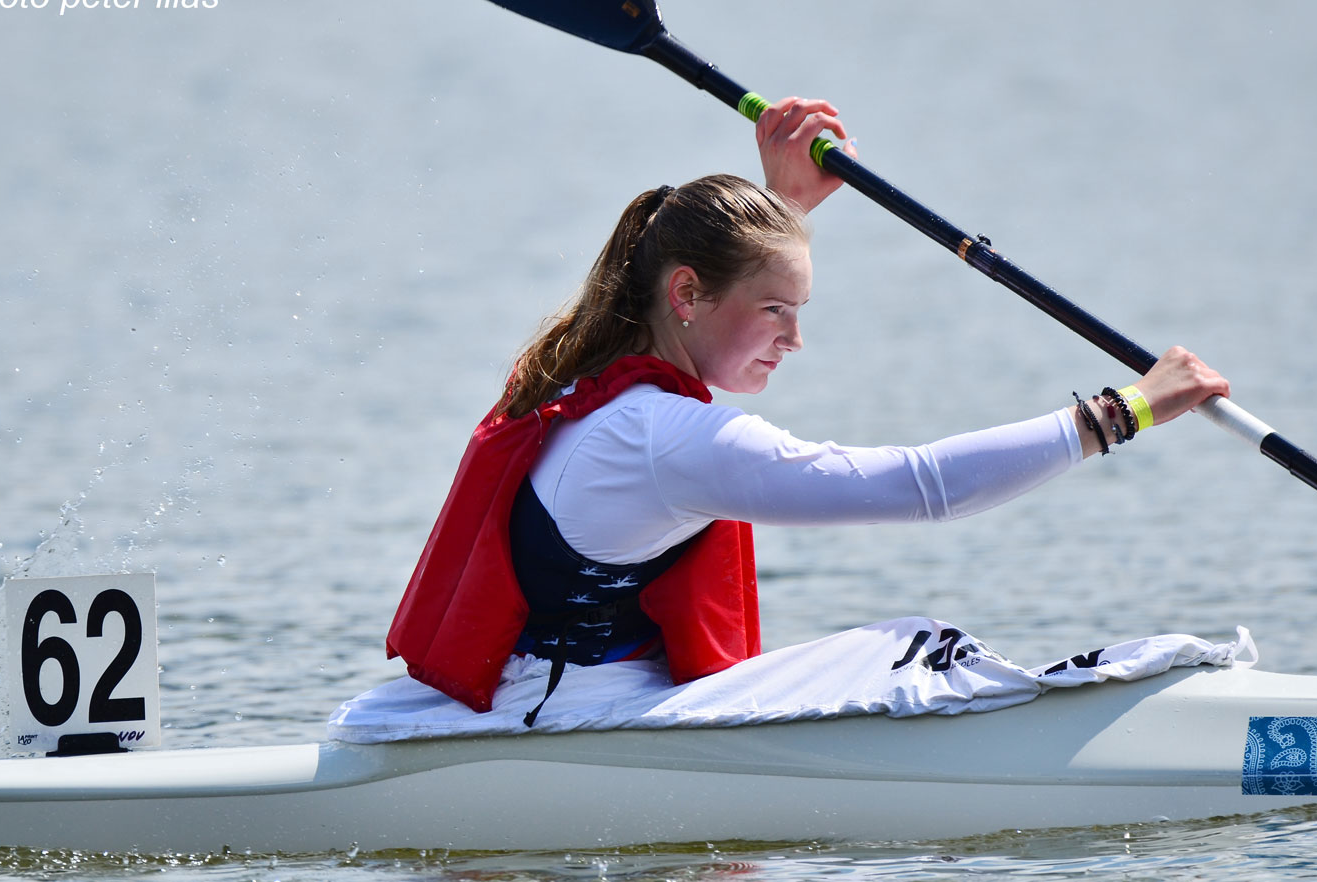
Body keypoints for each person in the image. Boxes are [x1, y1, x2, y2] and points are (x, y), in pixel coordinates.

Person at [385, 97, 1231, 720]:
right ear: (685, 291)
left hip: (539, 699)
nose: (793, 340)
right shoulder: (661, 436)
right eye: (777, 311)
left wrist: (776, 208)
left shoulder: (590, 373)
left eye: (799, 311)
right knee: (921, 648)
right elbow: (922, 487)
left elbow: (714, 280)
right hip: (564, 721)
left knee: (911, 648)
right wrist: (1126, 410)